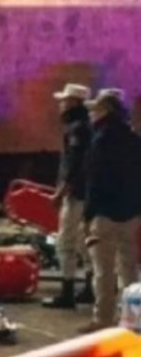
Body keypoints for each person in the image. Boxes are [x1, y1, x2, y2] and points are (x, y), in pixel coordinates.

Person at [79, 90, 141, 334]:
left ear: (105, 111)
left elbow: (95, 181)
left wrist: (87, 215)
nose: (91, 114)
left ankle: (103, 318)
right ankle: (133, 319)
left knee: (103, 270)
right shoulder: (135, 138)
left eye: (95, 109)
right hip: (131, 213)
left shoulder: (100, 139)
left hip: (104, 213)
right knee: (129, 268)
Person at [44, 83, 94, 309]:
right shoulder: (89, 126)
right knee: (85, 240)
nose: (61, 105)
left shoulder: (76, 129)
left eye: (64, 101)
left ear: (74, 102)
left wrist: (61, 191)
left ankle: (67, 292)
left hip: (75, 194)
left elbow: (74, 164)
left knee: (66, 241)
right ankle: (90, 288)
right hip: (88, 193)